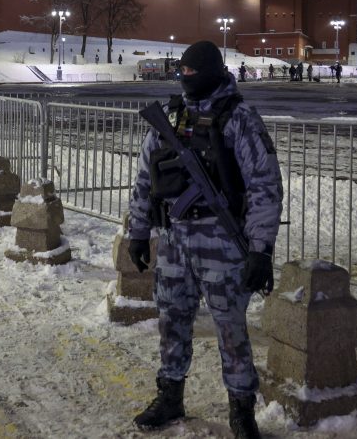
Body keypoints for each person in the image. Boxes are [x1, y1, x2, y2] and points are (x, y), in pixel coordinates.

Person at [126, 40, 282, 438]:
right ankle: (170, 396)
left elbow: (265, 187)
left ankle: (241, 410)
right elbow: (146, 179)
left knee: (230, 329)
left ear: (213, 73)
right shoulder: (171, 117)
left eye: (193, 74)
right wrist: (139, 232)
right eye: (184, 73)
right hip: (175, 240)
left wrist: (260, 250)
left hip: (222, 243)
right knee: (172, 320)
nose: (187, 80)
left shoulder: (239, 118)